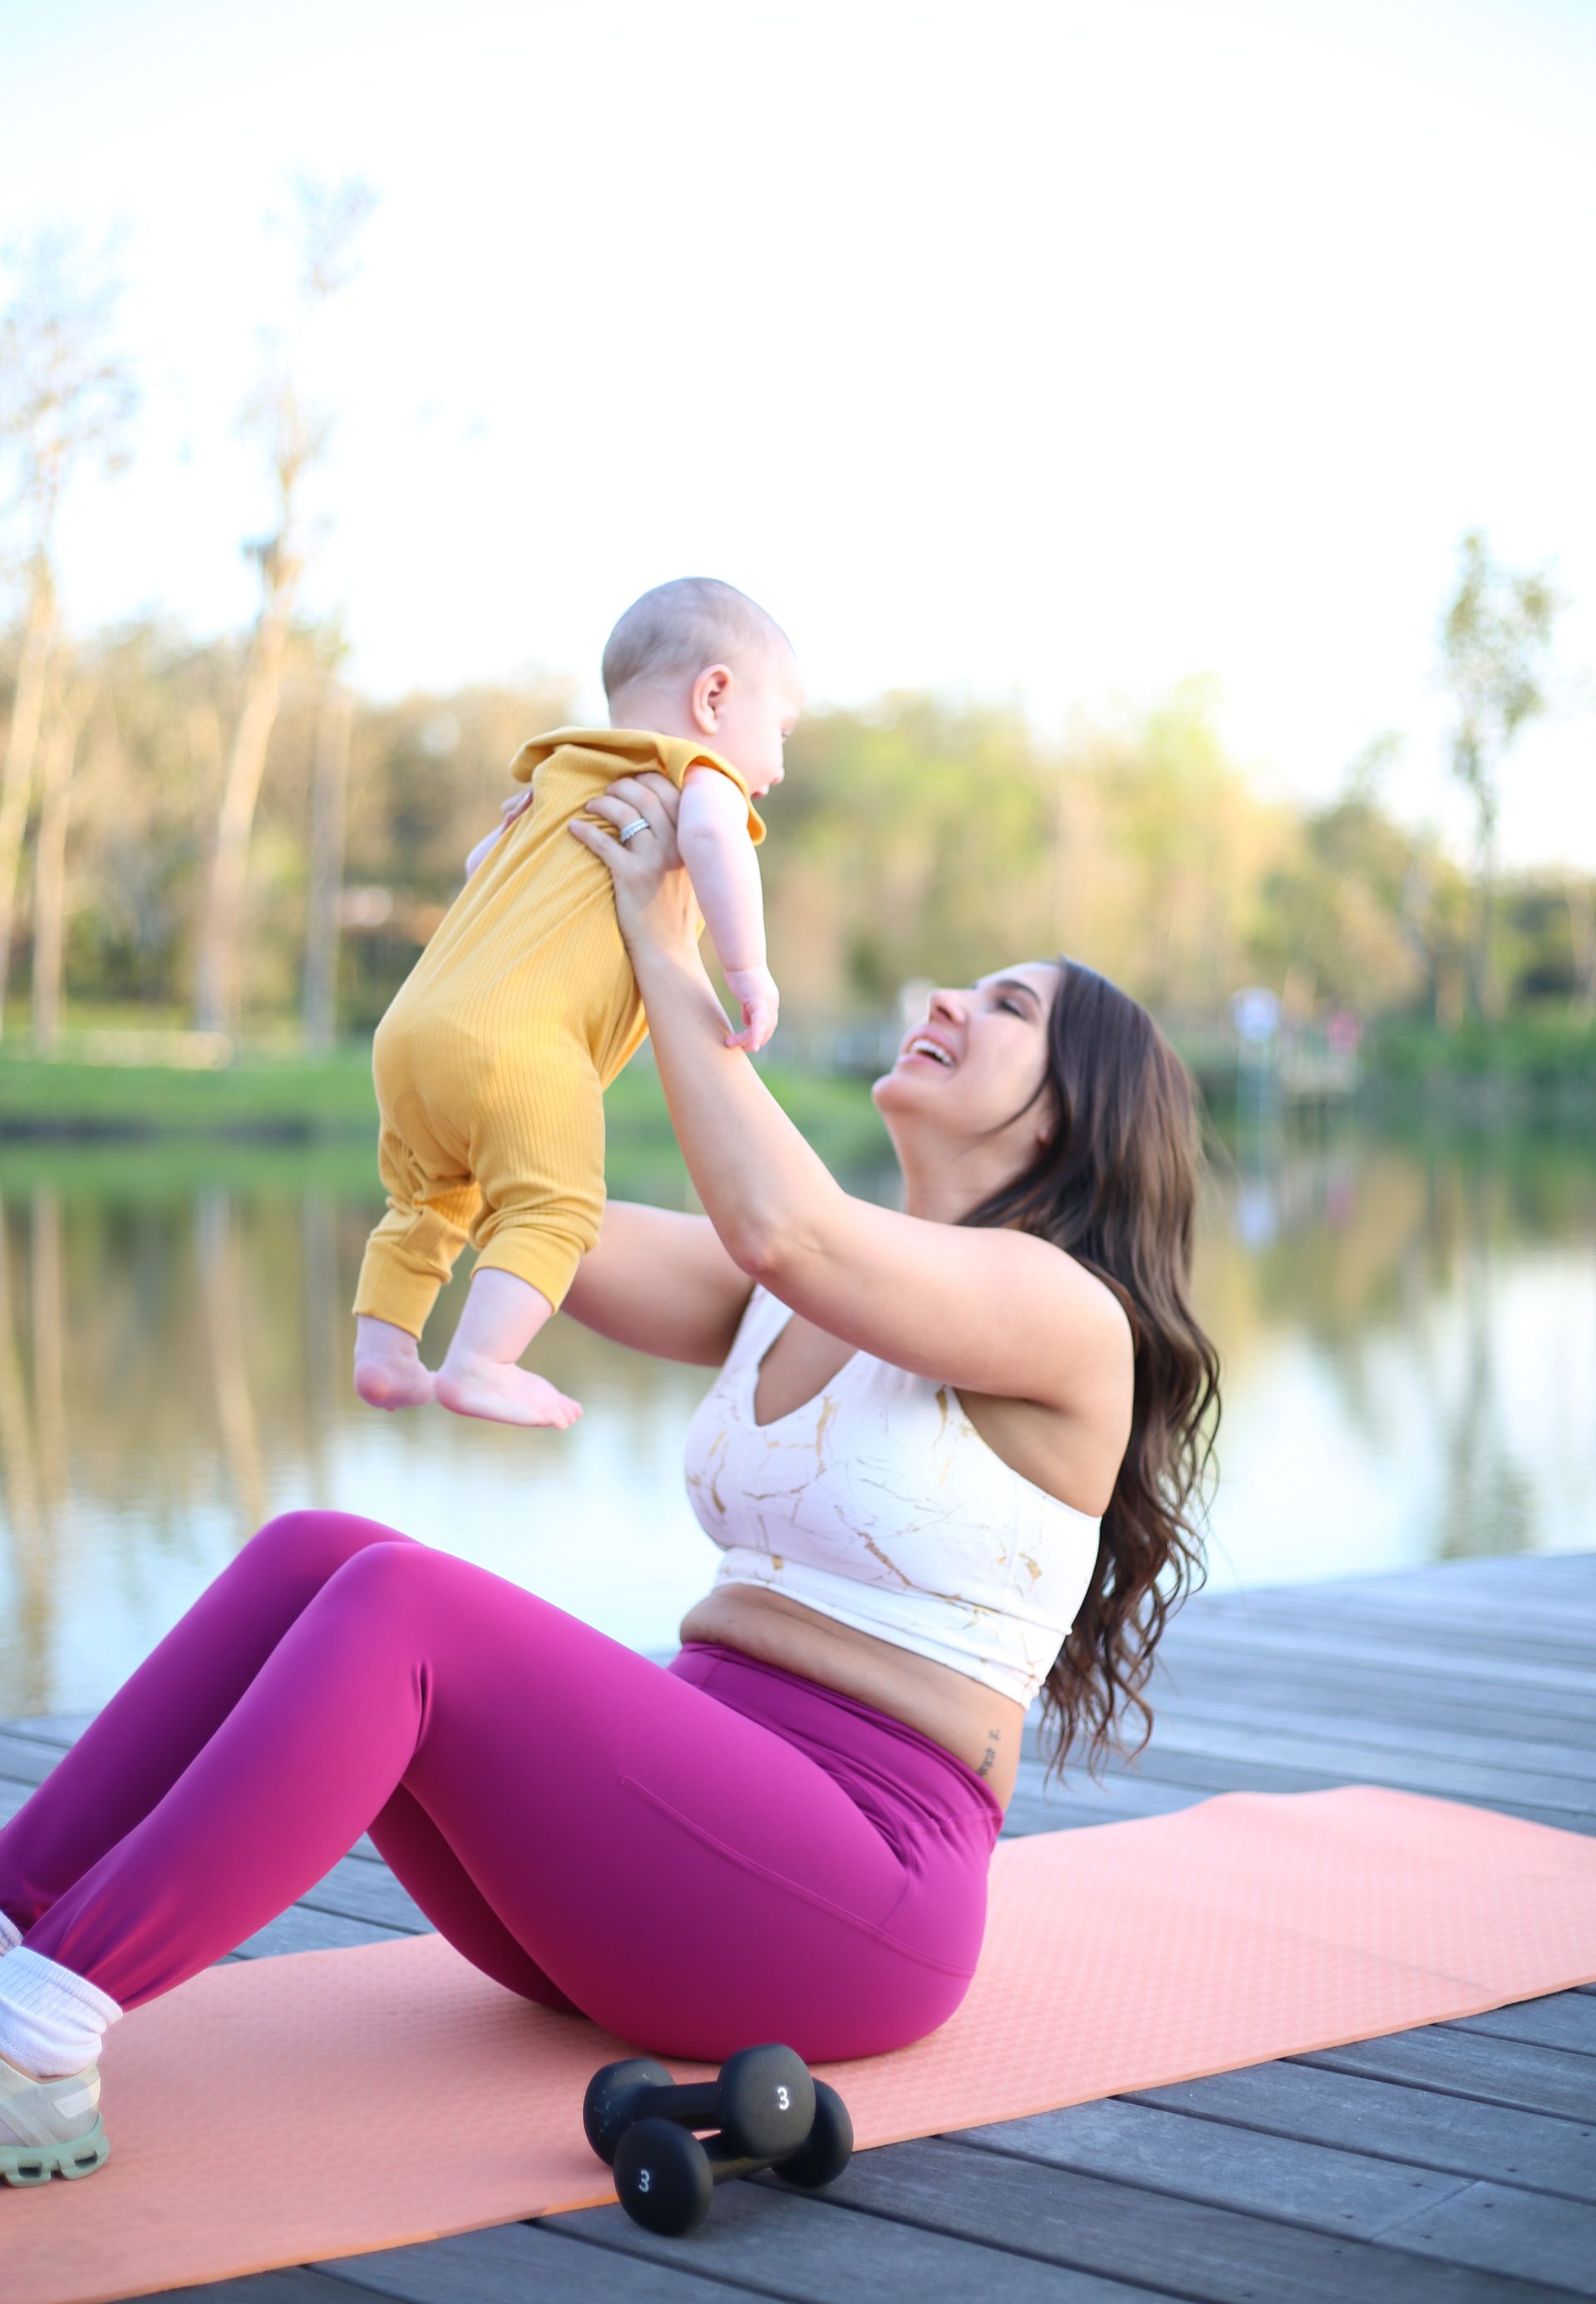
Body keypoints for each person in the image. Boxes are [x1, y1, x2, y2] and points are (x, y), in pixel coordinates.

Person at [0, 770, 1219, 2188]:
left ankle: (40, 2041)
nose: (945, 999)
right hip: (661, 1869)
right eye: (969, 986)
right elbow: (525, 1201)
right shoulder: (802, 1274)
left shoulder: (1061, 1311)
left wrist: (667, 934)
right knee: (317, 1552)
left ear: (1077, 1117)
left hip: (851, 1903)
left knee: (404, 1607)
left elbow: (784, 1226)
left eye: (1008, 1007)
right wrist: (513, 938)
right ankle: (17, 1922)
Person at [352, 575, 804, 1430]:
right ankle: (482, 1362)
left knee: (427, 1199)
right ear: (714, 697)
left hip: (412, 1031)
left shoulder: (561, 773)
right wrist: (749, 970)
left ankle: (384, 1354)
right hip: (517, 1046)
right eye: (779, 732)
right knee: (554, 1207)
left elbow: (482, 863)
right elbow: (713, 836)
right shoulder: (698, 772)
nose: (776, 768)